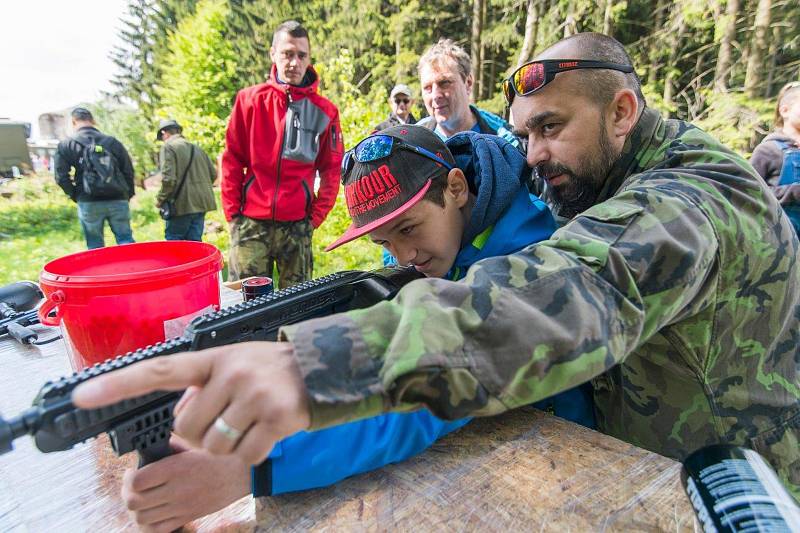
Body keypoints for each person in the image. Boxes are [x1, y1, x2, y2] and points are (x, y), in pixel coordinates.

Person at [75, 30, 800, 509]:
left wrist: (312, 374)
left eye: (552, 128)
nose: (535, 157)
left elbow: (569, 290)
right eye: (522, 134)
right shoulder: (595, 177)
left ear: (623, 111)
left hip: (739, 492)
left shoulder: (696, 195)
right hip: (640, 470)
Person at [221, 20, 343, 288]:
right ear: (273, 54)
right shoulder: (248, 100)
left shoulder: (325, 111)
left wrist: (315, 218)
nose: (295, 63)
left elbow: (332, 169)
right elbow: (231, 160)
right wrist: (233, 216)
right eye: (288, 54)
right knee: (243, 309)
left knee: (295, 308)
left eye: (302, 55)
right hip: (251, 224)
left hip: (297, 226)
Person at [54, 107, 135, 249]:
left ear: (73, 122)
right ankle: (133, 269)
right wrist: (127, 194)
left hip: (88, 200)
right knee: (125, 240)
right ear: (93, 121)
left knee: (95, 245)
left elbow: (61, 177)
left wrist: (76, 195)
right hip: (117, 198)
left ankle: (100, 271)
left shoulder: (67, 145)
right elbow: (128, 171)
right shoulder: (112, 142)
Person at [416, 39, 516, 146]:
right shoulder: (413, 141)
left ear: (468, 83)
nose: (435, 95)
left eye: (444, 83)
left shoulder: (504, 140)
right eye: (427, 88)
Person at [155, 119, 217, 241]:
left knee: (174, 241)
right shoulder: (197, 148)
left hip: (181, 204)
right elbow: (213, 175)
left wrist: (160, 199)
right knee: (195, 244)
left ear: (165, 133)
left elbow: (169, 179)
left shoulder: (169, 147)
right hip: (202, 202)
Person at [750, 81, 800, 232]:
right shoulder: (768, 150)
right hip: (780, 243)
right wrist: (794, 192)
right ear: (785, 111)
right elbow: (747, 193)